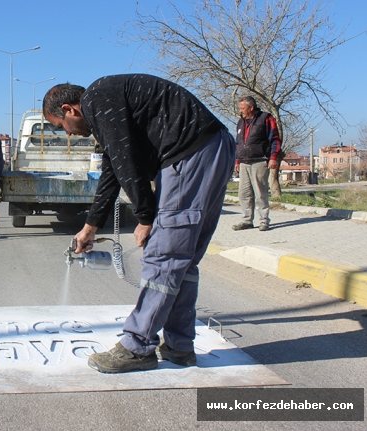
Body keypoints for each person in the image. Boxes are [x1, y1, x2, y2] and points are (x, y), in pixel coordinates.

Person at [43, 75, 235, 373]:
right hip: (209, 148)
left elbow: (125, 161)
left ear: (70, 109)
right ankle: (179, 345)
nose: (66, 133)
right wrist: (90, 226)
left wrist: (146, 217)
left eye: (60, 126)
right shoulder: (107, 101)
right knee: (182, 259)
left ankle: (137, 347)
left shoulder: (97, 99)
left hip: (190, 154)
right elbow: (112, 169)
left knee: (164, 254)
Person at [232, 96, 282, 232]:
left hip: (259, 160)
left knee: (260, 193)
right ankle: (247, 220)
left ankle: (264, 220)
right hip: (244, 162)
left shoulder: (266, 119)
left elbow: (275, 140)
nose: (240, 111)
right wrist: (237, 160)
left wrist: (273, 158)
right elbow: (238, 143)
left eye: (243, 108)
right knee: (244, 193)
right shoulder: (241, 122)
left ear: (251, 107)